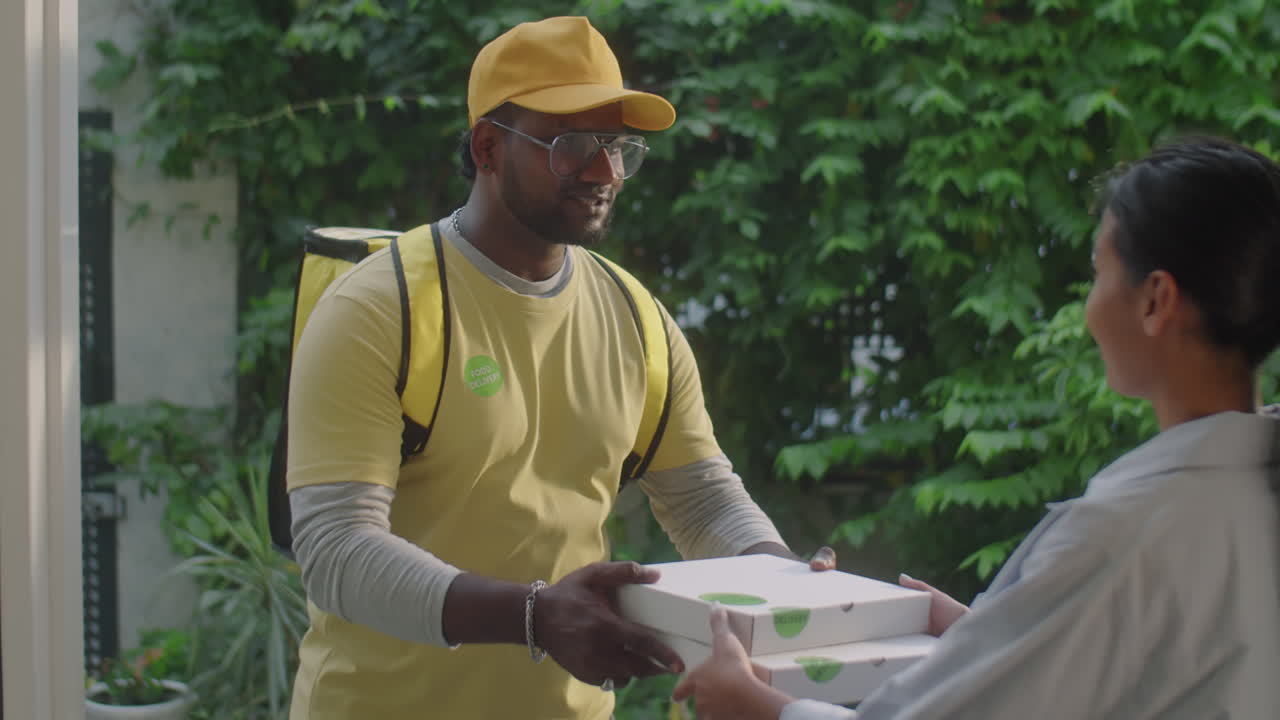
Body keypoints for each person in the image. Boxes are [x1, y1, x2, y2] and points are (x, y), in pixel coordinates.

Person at [284, 15, 834, 720]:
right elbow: (335, 550)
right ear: (487, 146)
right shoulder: (378, 308)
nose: (604, 171)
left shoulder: (637, 319)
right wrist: (534, 616)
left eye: (618, 146)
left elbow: (701, 500)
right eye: (572, 144)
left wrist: (787, 583)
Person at [672, 137, 1280, 719]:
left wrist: (754, 705)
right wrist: (998, 638)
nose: (1090, 306)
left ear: (1156, 301)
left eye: (1098, 272)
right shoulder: (1244, 491)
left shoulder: (1122, 536)